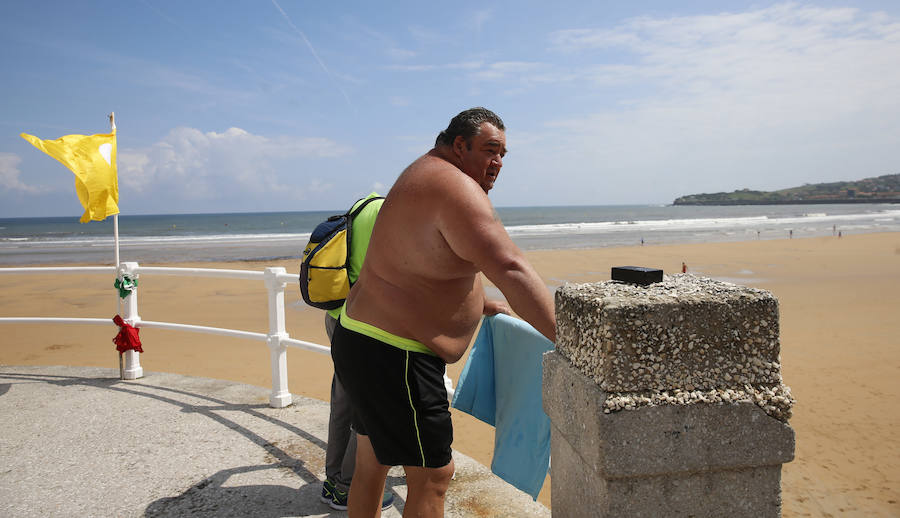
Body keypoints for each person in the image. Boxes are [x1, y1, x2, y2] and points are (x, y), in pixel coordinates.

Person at [331, 107, 556, 517]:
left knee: (372, 463)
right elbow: (510, 267)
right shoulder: (455, 187)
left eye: (504, 153)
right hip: (395, 356)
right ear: (459, 145)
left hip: (360, 339)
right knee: (433, 477)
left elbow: (432, 257)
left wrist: (479, 302)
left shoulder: (423, 173)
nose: (498, 163)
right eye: (490, 150)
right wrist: (570, 338)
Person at [319, 193, 394, 511]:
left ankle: (333, 480)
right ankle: (347, 487)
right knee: (367, 411)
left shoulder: (363, 207)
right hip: (365, 323)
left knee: (343, 403)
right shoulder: (391, 213)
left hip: (337, 316)